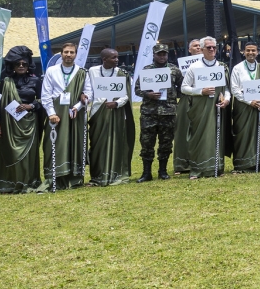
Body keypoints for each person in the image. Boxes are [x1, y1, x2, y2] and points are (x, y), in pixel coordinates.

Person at [0, 47, 44, 193]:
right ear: (12, 65)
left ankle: (28, 182)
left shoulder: (35, 81)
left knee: (28, 154)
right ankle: (9, 183)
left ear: (29, 66)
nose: (21, 66)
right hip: (9, 124)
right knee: (10, 152)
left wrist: (31, 105)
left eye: (24, 64)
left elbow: (42, 101)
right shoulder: (5, 82)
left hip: (29, 124)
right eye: (17, 64)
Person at [179, 36, 231, 179]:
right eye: (209, 47)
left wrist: (226, 100)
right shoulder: (194, 67)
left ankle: (217, 167)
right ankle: (197, 169)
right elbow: (184, 88)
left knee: (216, 136)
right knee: (199, 137)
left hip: (217, 108)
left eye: (214, 47)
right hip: (200, 108)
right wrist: (200, 92)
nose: (212, 49)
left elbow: (227, 89)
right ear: (202, 49)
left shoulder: (222, 67)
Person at [40, 42, 90, 190]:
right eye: (66, 52)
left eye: (72, 52)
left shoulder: (82, 72)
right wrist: (51, 114)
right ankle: (55, 177)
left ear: (75, 54)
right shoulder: (51, 71)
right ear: (61, 54)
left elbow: (89, 93)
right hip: (56, 113)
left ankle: (74, 179)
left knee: (75, 142)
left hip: (75, 113)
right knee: (55, 144)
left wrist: (79, 106)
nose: (69, 55)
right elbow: (45, 95)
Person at [85, 48, 135, 186]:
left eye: (117, 57)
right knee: (96, 144)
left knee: (115, 142)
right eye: (113, 58)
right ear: (104, 59)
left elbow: (127, 95)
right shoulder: (92, 71)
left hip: (116, 112)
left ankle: (114, 174)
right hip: (97, 112)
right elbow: (88, 90)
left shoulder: (122, 73)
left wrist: (117, 103)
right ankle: (97, 176)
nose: (117, 60)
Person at [134, 43, 181, 182]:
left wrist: (172, 95)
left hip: (168, 112)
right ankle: (146, 173)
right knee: (147, 143)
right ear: (154, 55)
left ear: (167, 55)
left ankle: (163, 171)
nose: (162, 56)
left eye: (164, 54)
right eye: (159, 54)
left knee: (166, 143)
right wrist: (148, 95)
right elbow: (137, 89)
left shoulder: (174, 70)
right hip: (149, 112)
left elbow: (182, 86)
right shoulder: (146, 70)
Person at [229, 41, 260, 173]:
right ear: (243, 52)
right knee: (242, 134)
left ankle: (258, 162)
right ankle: (242, 163)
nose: (251, 53)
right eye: (248, 50)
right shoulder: (237, 68)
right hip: (243, 107)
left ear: (257, 52)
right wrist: (249, 101)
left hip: (259, 107)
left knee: (258, 134)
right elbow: (235, 89)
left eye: (253, 50)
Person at [172, 37, 203, 173]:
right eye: (195, 46)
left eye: (199, 46)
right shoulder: (181, 65)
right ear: (189, 49)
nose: (197, 48)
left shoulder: (209, 64)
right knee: (183, 130)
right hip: (186, 98)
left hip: (203, 98)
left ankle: (200, 160)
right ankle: (182, 164)